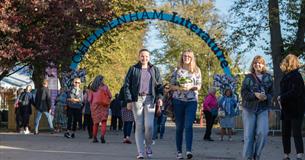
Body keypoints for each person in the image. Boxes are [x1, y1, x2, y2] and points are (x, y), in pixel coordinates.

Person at [123, 48, 163, 159]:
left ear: (149, 57)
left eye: (146, 56)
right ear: (139, 57)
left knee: (149, 126)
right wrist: (129, 100)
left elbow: (159, 86)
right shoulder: (133, 69)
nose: (144, 58)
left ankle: (148, 146)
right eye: (142, 56)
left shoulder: (154, 69)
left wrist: (160, 97)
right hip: (137, 100)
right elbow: (126, 85)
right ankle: (140, 152)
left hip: (150, 100)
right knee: (139, 126)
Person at [170, 50, 202, 159]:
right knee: (179, 127)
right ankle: (179, 152)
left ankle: (188, 150)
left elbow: (199, 86)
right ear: (182, 57)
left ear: (192, 58)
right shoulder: (177, 70)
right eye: (184, 56)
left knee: (188, 126)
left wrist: (191, 87)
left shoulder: (196, 70)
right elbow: (171, 86)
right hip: (178, 101)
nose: (186, 57)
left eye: (188, 56)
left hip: (192, 101)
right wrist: (179, 88)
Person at [241, 55, 273, 160]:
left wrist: (266, 97)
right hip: (249, 109)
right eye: (255, 62)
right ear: (253, 64)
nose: (257, 64)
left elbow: (272, 93)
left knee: (262, 133)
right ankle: (247, 157)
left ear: (263, 64)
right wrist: (255, 95)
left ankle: (257, 155)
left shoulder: (268, 77)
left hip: (263, 109)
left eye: (259, 62)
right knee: (248, 136)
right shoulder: (248, 77)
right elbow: (243, 93)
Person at [278, 54, 305, 160]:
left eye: (286, 61)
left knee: (296, 132)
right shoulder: (286, 75)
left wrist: (281, 97)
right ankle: (286, 155)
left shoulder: (296, 75)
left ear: (289, 63)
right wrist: (281, 99)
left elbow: (295, 91)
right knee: (285, 133)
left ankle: (299, 155)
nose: (284, 62)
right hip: (286, 109)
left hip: (296, 109)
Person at [88, 75, 112, 143]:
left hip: (95, 106)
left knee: (95, 123)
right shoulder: (105, 87)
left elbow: (89, 99)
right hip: (104, 106)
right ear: (101, 80)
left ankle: (94, 137)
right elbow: (110, 96)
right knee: (104, 122)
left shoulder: (92, 88)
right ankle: (102, 136)